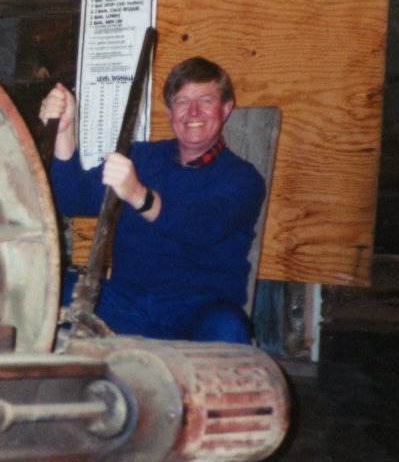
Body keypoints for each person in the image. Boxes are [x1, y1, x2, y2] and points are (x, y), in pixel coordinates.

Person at [39, 56, 266, 345]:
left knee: (228, 327)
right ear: (170, 111)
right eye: (182, 102)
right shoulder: (142, 157)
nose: (193, 111)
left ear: (226, 108)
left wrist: (138, 195)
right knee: (51, 288)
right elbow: (72, 197)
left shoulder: (243, 178)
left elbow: (201, 226)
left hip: (197, 311)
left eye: (205, 100)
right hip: (128, 305)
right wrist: (63, 131)